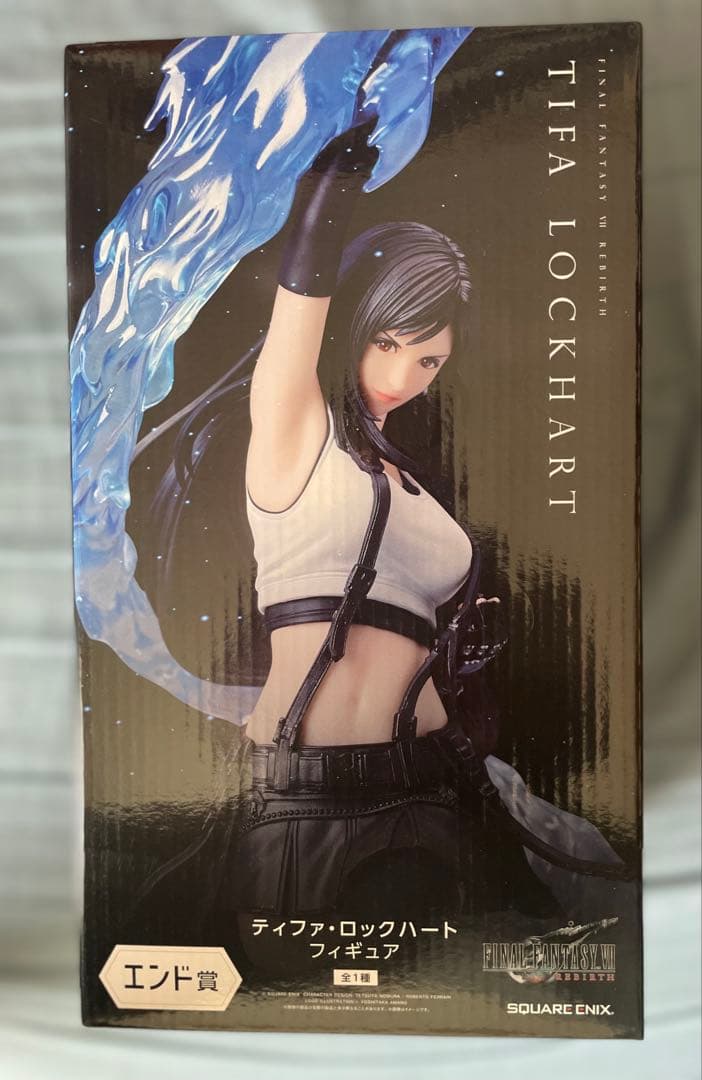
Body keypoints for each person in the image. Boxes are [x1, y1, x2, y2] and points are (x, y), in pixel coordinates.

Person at [135, 119, 632, 943]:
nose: (402, 377)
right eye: (387, 343)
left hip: (440, 779)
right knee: (307, 980)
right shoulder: (299, 435)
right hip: (307, 788)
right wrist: (328, 189)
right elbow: (301, 302)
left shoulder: (416, 488)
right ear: (353, 324)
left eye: (429, 360)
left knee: (516, 957)